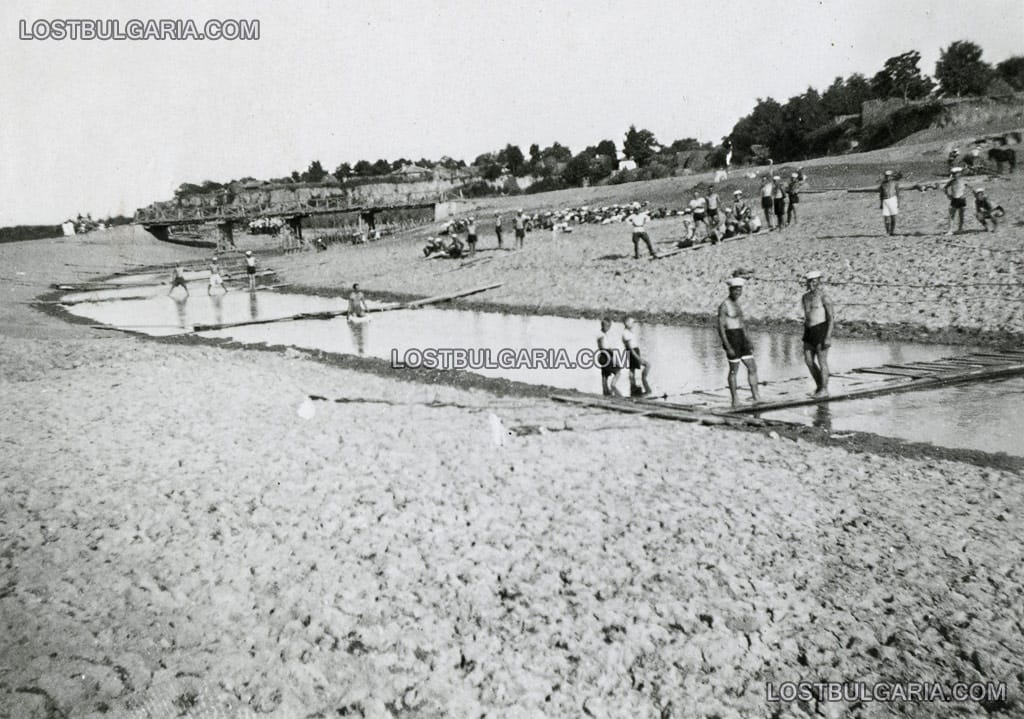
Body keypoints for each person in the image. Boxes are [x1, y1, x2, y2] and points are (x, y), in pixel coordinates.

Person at [717, 277, 761, 407]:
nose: (738, 292)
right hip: (731, 337)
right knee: (733, 370)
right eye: (735, 289)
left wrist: (748, 340)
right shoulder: (724, 305)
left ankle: (756, 396)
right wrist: (727, 345)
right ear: (730, 290)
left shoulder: (738, 304)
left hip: (741, 337)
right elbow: (720, 327)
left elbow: (742, 324)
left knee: (752, 367)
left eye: (739, 289)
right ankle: (735, 400)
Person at [801, 270, 834, 398]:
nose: (812, 284)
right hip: (809, 331)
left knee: (822, 361)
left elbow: (831, 318)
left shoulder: (824, 297)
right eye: (810, 281)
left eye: (815, 281)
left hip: (821, 329)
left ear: (819, 282)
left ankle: (824, 389)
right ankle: (819, 386)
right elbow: (807, 315)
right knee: (808, 361)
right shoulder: (805, 297)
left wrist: (828, 336)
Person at [621, 317, 651, 396]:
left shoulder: (629, 332)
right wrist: (637, 357)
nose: (633, 324)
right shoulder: (626, 333)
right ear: (627, 324)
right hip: (632, 352)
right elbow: (629, 347)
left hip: (634, 351)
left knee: (632, 369)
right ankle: (644, 380)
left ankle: (633, 387)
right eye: (632, 323)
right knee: (647, 365)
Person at [596, 318, 623, 397]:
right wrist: (611, 354)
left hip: (604, 356)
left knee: (605, 374)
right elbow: (602, 347)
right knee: (618, 371)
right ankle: (613, 386)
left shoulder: (602, 334)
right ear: (603, 325)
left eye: (609, 326)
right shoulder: (601, 335)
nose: (608, 328)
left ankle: (605, 392)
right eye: (607, 326)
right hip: (606, 355)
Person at [944, 167, 969, 235]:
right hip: (954, 199)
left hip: (961, 199)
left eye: (956, 173)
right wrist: (948, 195)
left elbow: (970, 188)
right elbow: (945, 188)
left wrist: (965, 194)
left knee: (961, 215)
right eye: (953, 174)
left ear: (960, 173)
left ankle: (960, 229)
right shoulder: (952, 181)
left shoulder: (963, 181)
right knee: (951, 215)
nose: (955, 175)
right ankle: (950, 230)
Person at [878, 170, 901, 236]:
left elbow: (898, 193)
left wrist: (898, 202)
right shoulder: (883, 184)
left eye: (889, 176)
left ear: (891, 177)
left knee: (893, 217)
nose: (888, 177)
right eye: (886, 176)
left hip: (892, 200)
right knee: (886, 218)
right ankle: (887, 232)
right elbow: (881, 194)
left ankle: (892, 231)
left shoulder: (895, 183)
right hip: (885, 201)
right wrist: (881, 203)